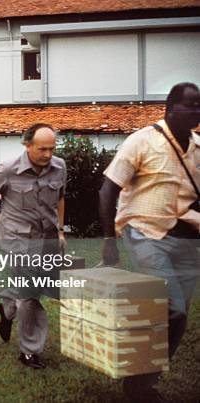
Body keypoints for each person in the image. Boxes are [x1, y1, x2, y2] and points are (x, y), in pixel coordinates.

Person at [99, 82, 200, 403]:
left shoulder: (198, 148)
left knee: (178, 314)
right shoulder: (141, 141)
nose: (197, 110)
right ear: (170, 108)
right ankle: (139, 384)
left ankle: (143, 378)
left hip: (187, 238)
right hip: (144, 234)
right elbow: (108, 189)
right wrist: (108, 239)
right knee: (172, 308)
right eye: (191, 104)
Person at [0, 123, 67, 369]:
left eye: (51, 149)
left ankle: (6, 308)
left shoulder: (59, 167)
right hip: (15, 239)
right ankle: (29, 351)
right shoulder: (7, 169)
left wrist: (60, 230)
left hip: (45, 239)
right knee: (31, 294)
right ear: (27, 145)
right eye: (42, 149)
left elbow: (60, 198)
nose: (48, 155)